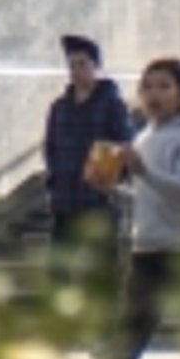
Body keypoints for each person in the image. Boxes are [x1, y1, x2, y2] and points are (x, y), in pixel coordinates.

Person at [108, 56, 180, 359]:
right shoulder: (143, 137)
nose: (154, 95)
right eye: (148, 87)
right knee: (131, 328)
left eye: (164, 87)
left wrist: (143, 171)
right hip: (147, 247)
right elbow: (145, 196)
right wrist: (111, 189)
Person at [40, 36, 135, 264]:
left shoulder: (112, 104)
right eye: (72, 65)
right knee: (59, 269)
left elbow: (124, 143)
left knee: (100, 270)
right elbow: (51, 146)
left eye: (82, 64)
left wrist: (111, 177)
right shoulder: (60, 107)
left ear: (95, 66)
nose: (76, 71)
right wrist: (54, 178)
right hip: (65, 201)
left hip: (98, 201)